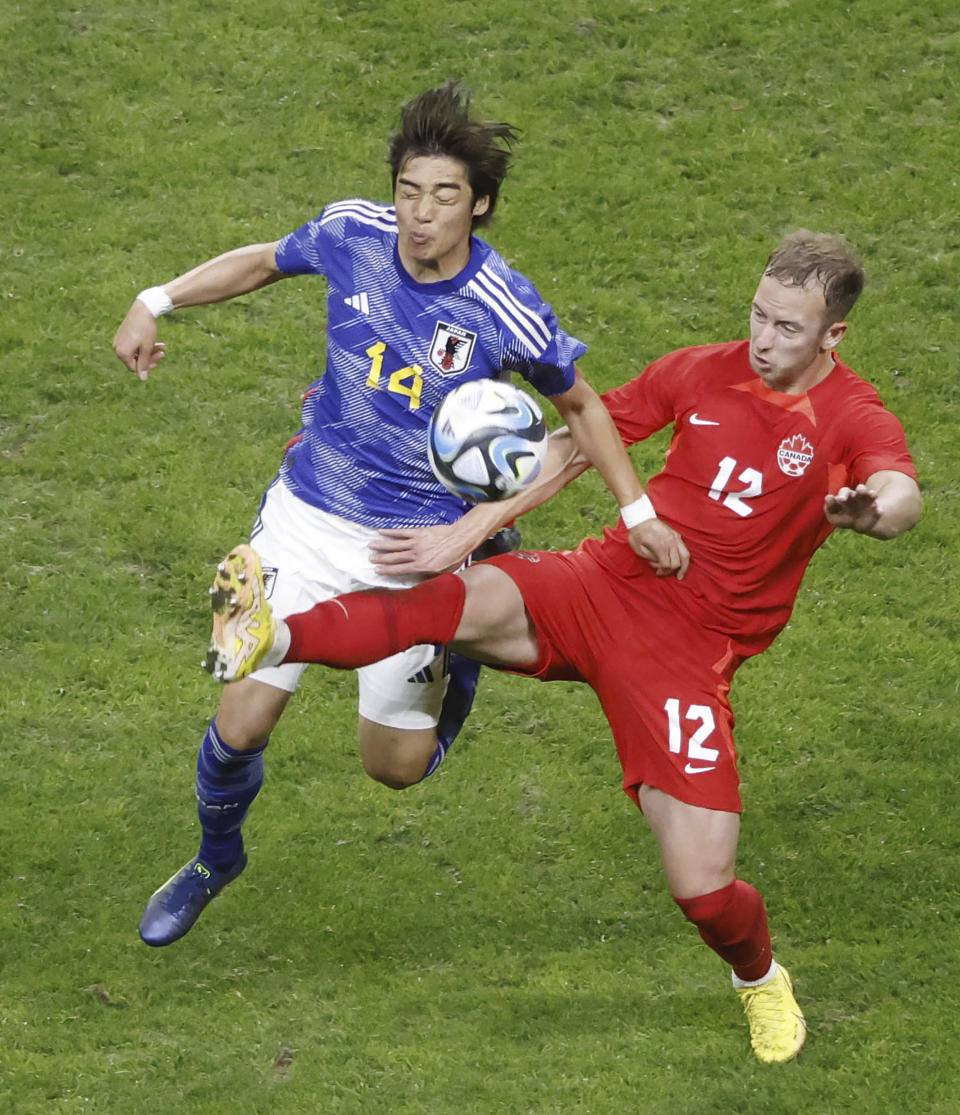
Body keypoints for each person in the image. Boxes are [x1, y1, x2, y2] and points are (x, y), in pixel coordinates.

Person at [204, 231, 921, 1063]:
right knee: (437, 596)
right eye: (758, 316)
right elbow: (580, 440)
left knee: (703, 888)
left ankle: (759, 979)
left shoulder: (851, 415)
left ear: (833, 335)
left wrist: (875, 508)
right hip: (604, 583)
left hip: (686, 655)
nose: (762, 339)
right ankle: (270, 631)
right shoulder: (698, 369)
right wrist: (471, 524)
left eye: (787, 329)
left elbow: (900, 491)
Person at [113, 81, 684, 948]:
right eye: (410, 191)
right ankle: (212, 858)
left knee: (396, 769)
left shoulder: (505, 307)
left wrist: (624, 509)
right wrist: (156, 301)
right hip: (307, 516)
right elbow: (266, 260)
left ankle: (461, 648)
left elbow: (583, 411)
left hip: (416, 547)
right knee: (241, 721)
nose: (421, 214)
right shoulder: (353, 235)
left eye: (445, 195)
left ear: (479, 204)